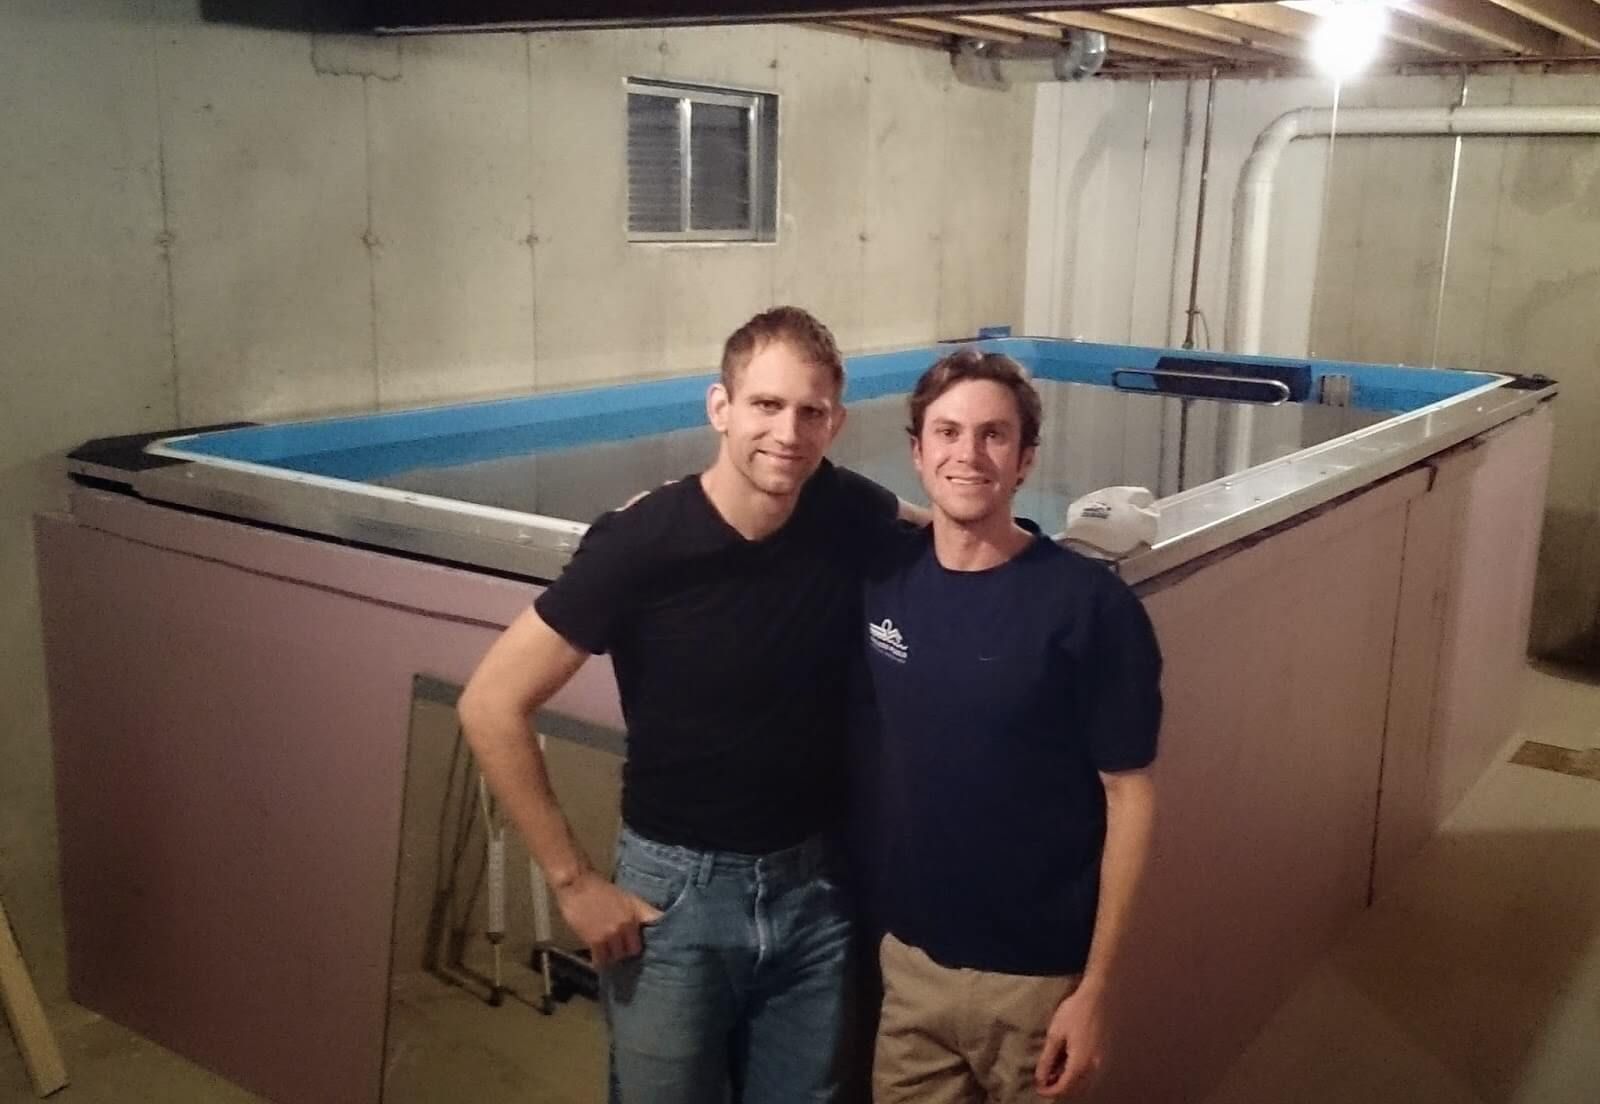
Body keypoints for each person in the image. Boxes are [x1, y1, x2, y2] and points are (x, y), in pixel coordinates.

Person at [457, 306, 912, 1104]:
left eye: (810, 412)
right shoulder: (641, 543)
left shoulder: (845, 511)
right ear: (720, 408)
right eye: (766, 406)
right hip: (673, 903)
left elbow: (942, 533)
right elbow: (490, 703)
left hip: (816, 896)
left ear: (835, 424)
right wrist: (572, 884)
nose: (788, 432)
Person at [860, 348, 1163, 1103]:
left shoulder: (1090, 608)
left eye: (994, 435)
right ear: (917, 451)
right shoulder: (882, 582)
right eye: (948, 432)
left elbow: (1131, 798)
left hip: (1038, 983)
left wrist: (1095, 990)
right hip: (910, 968)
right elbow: (815, 496)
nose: (968, 453)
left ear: (1026, 460)